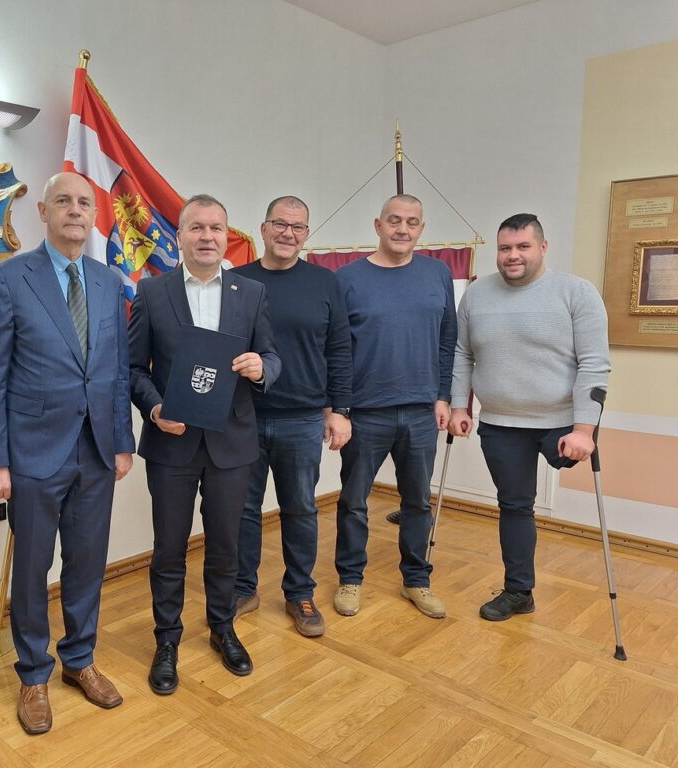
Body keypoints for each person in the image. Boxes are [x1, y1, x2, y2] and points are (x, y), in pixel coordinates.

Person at [0, 172, 134, 735]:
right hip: (33, 453)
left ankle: (80, 660)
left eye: (84, 202)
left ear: (95, 214)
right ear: (42, 211)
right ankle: (34, 674)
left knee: (87, 562)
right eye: (62, 201)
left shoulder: (109, 281)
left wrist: (122, 442)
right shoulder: (10, 278)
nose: (75, 210)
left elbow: (116, 372)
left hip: (96, 451)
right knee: (32, 569)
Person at [129, 194, 280, 694]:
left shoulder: (250, 293)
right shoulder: (152, 292)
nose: (208, 236)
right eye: (197, 227)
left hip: (231, 443)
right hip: (170, 444)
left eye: (216, 228)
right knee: (169, 549)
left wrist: (261, 368)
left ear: (226, 235)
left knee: (225, 545)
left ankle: (222, 627)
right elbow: (134, 369)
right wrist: (155, 409)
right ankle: (166, 639)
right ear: (180, 235)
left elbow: (272, 357)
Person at [450, 213, 609, 620]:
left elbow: (594, 363)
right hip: (500, 424)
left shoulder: (576, 292)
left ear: (542, 247)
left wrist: (584, 430)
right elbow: (462, 354)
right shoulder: (477, 294)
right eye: (505, 248)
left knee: (543, 486)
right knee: (515, 506)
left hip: (562, 424)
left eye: (523, 246)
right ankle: (519, 591)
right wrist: (458, 406)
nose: (513, 255)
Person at [231, 196, 352, 637]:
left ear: (306, 235)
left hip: (302, 418)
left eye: (298, 227)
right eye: (280, 224)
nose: (288, 233)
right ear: (263, 229)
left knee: (300, 508)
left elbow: (340, 350)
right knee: (242, 510)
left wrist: (339, 410)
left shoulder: (325, 283)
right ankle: (242, 588)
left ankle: (299, 591)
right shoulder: (236, 282)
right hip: (243, 416)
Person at [333, 194, 456, 620]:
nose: (403, 229)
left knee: (417, 503)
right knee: (354, 502)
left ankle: (417, 580)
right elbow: (336, 349)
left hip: (421, 411)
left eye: (412, 222)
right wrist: (339, 409)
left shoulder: (438, 274)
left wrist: (444, 395)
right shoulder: (347, 279)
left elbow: (448, 341)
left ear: (421, 228)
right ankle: (350, 578)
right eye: (394, 220)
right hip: (365, 412)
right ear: (378, 225)